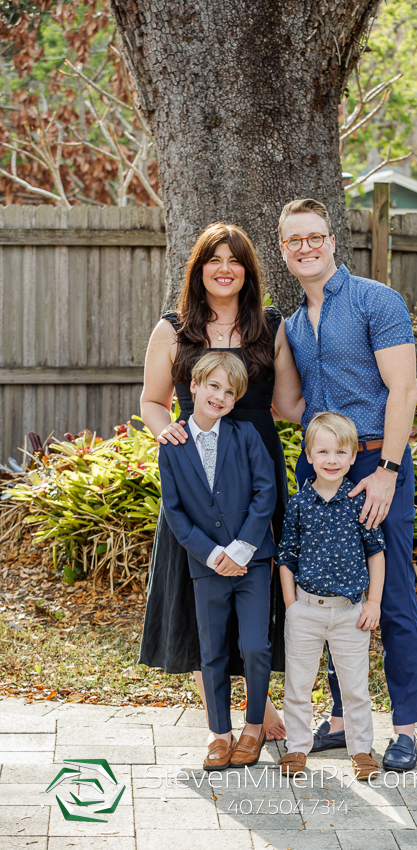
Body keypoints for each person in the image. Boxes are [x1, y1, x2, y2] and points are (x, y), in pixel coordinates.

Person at [139, 221, 304, 743]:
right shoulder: (172, 330)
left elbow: (287, 406)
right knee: (199, 585)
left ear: (248, 270)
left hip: (256, 472)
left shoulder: (270, 327)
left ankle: (261, 707)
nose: (225, 269)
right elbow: (151, 401)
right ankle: (218, 725)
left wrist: (356, 425)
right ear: (200, 269)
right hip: (195, 472)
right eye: (215, 260)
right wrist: (167, 432)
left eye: (235, 260)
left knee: (256, 582)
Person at [280, 198, 417, 772]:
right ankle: (340, 722)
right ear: (284, 250)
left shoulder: (375, 300)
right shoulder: (290, 324)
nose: (306, 247)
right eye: (295, 240)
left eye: (315, 237)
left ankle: (406, 730)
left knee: (389, 597)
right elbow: (289, 403)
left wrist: (386, 471)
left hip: (374, 465)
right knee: (332, 591)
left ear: (333, 240)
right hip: (321, 468)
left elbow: (404, 389)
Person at [159, 350, 276, 769]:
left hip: (252, 562)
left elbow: (266, 493)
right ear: (193, 386)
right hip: (206, 566)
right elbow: (174, 511)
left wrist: (242, 547)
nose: (221, 396)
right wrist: (212, 554)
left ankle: (253, 728)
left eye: (230, 392)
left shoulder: (246, 436)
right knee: (212, 652)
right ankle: (220, 733)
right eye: (214, 386)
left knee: (255, 646)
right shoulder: (173, 446)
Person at [276, 412, 385, 780]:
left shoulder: (359, 501)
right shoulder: (298, 504)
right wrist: (292, 607)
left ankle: (361, 751)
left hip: (350, 613)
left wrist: (373, 602)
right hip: (306, 609)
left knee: (355, 687)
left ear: (353, 456)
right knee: (299, 684)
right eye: (323, 452)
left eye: (341, 452)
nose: (332, 460)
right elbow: (286, 557)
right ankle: (296, 749)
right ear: (309, 455)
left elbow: (376, 553)